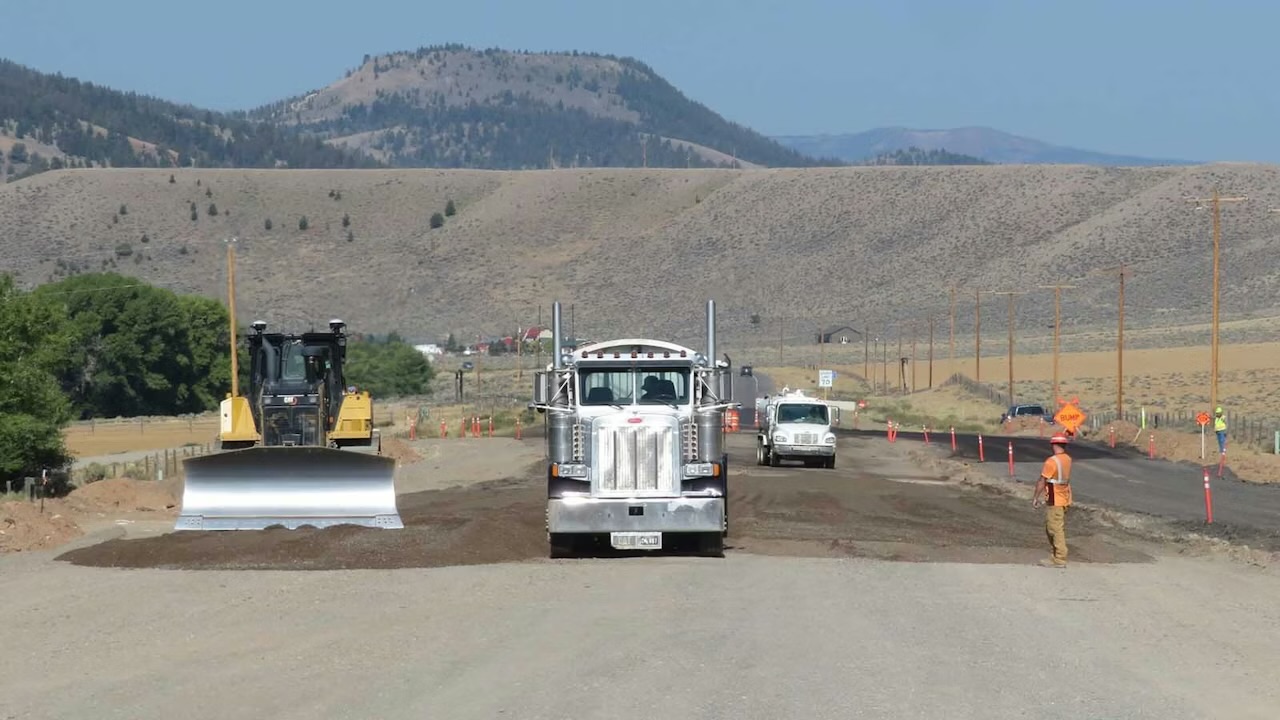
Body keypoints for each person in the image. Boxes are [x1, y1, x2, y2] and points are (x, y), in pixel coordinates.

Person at [1032, 433, 1073, 569]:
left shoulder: (1052, 461)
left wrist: (1035, 497)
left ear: (1053, 445)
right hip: (1064, 497)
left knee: (1054, 529)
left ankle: (1060, 558)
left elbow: (1042, 481)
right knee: (1053, 527)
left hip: (1055, 498)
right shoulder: (1067, 459)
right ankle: (1056, 555)